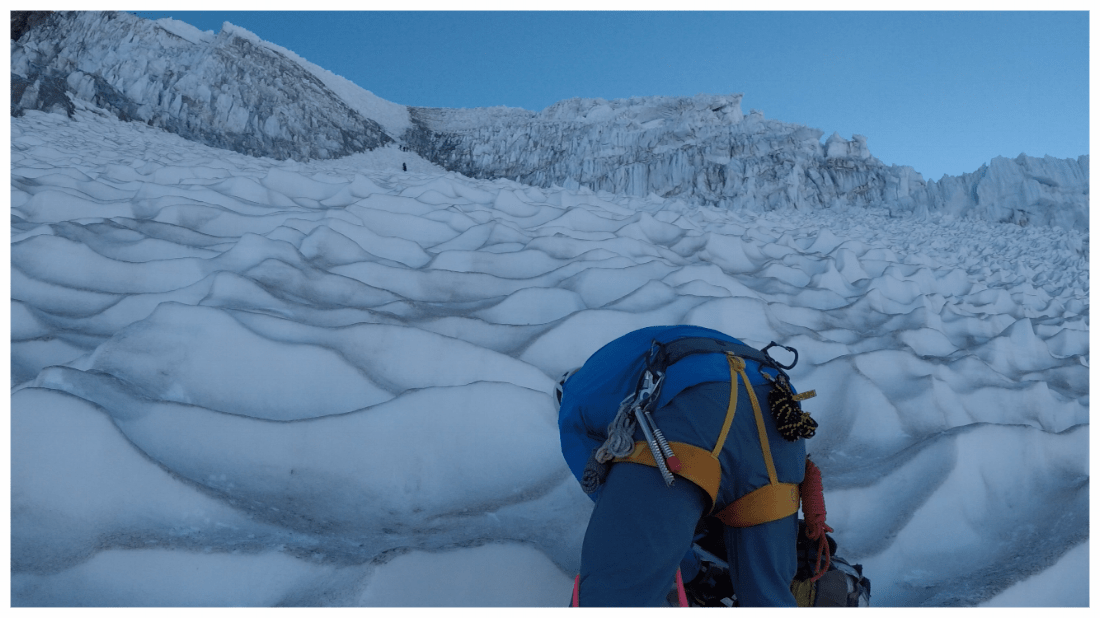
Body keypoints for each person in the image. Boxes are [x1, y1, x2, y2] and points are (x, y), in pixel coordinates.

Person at [557, 325, 817, 607]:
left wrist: (694, 571)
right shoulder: (622, 360)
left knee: (615, 596)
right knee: (769, 599)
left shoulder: (573, 402)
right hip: (779, 415)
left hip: (693, 413)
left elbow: (612, 501)